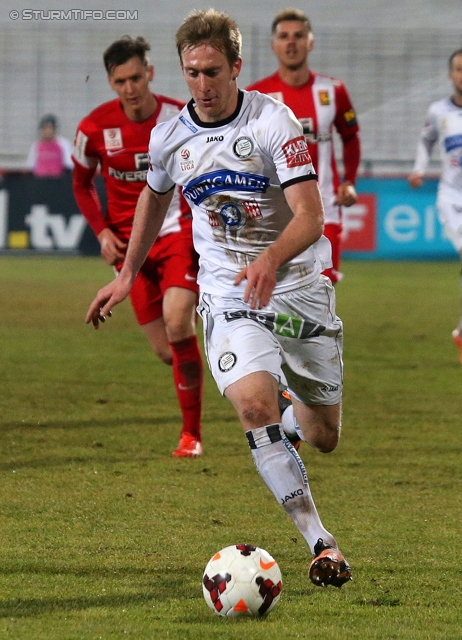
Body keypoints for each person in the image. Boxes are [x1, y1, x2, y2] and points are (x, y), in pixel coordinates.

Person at [85, 10, 352, 588]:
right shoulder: (171, 136)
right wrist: (129, 273)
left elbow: (311, 216)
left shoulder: (274, 123)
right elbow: (155, 199)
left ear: (235, 67)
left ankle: (291, 409)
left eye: (211, 72)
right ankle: (321, 543)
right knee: (252, 409)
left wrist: (272, 258)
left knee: (323, 434)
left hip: (300, 288)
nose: (201, 86)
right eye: (191, 73)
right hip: (228, 289)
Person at [73, 36, 203, 457]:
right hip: (129, 251)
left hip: (175, 232)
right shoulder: (93, 129)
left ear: (149, 72)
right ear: (111, 83)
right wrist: (101, 232)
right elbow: (80, 183)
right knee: (170, 352)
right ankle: (245, 370)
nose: (130, 88)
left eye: (136, 77)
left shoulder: (180, 117)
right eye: (120, 81)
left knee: (178, 321)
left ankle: (191, 436)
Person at [247, 8, 361, 284]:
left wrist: (349, 181)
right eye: (284, 36)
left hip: (325, 208)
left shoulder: (333, 91)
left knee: (322, 284)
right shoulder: (256, 96)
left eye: (298, 36)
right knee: (276, 288)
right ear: (273, 45)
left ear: (310, 42)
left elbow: (351, 138)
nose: (291, 42)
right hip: (274, 209)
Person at [409, 48, 462, 364]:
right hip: (452, 199)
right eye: (458, 68)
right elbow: (426, 140)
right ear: (450, 74)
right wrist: (419, 167)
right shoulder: (438, 111)